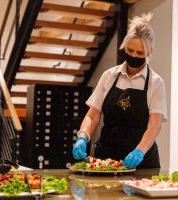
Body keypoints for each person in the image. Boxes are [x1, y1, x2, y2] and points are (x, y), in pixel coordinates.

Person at [72, 13, 167, 169]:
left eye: (140, 53)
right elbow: (93, 115)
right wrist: (82, 136)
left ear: (149, 53)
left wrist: (139, 151)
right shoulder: (109, 76)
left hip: (141, 160)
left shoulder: (156, 83)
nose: (134, 56)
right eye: (130, 50)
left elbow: (154, 125)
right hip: (106, 156)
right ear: (124, 47)